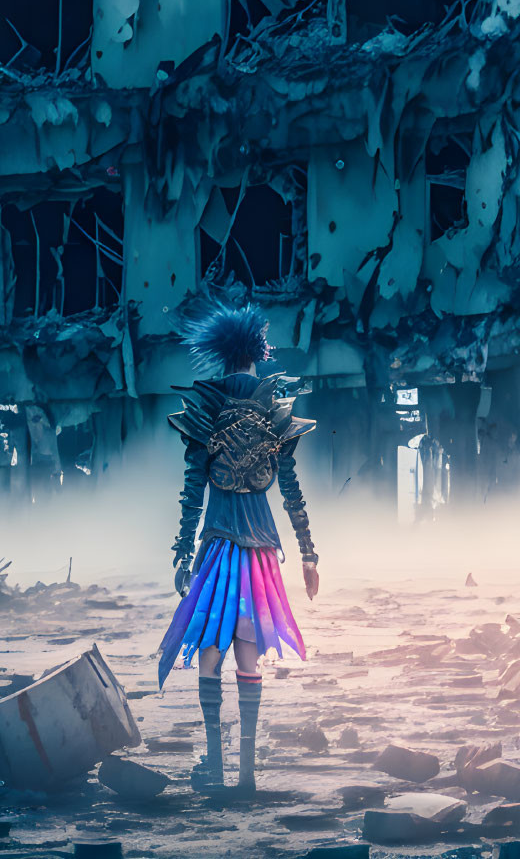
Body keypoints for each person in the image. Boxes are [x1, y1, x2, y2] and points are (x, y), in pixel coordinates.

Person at [156, 303, 319, 794]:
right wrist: (309, 554)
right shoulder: (275, 408)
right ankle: (246, 773)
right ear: (257, 355)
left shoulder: (208, 406)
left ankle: (216, 766)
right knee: (248, 654)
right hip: (263, 551)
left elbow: (192, 492)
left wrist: (183, 553)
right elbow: (291, 490)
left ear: (222, 359)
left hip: (220, 545)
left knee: (209, 651)